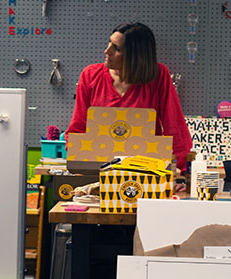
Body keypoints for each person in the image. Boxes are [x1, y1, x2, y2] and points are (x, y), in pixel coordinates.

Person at [68, 22, 191, 171]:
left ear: (135, 56)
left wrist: (180, 172)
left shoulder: (159, 76)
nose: (107, 51)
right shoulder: (90, 75)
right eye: (109, 43)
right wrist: (77, 163)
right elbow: (78, 127)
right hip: (98, 168)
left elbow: (175, 127)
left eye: (117, 48)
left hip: (146, 172)